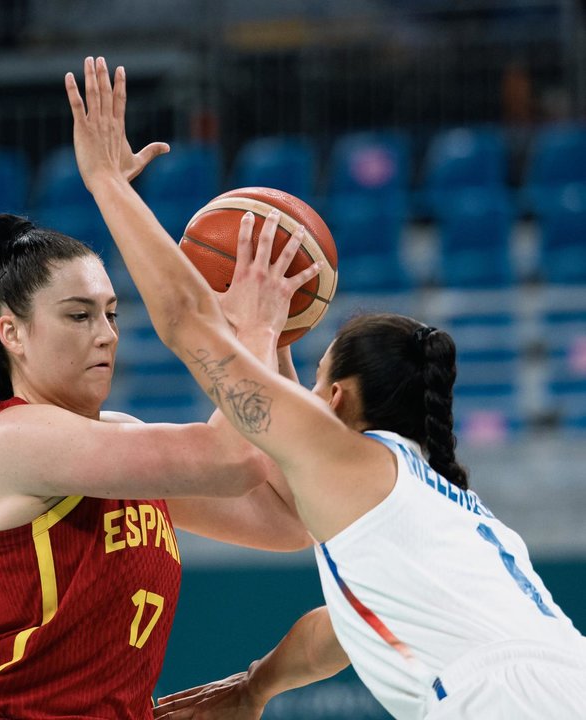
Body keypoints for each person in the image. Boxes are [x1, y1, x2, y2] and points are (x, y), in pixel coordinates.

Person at [68, 56, 586, 720]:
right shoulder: (424, 502)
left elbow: (183, 322)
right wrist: (255, 685)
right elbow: (337, 631)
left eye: (311, 380)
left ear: (335, 399)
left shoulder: (351, 459)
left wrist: (108, 183)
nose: (301, 393)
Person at [0, 200, 319, 713]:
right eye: (79, 315)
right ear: (11, 333)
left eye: (110, 313)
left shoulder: (119, 441)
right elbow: (233, 457)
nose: (106, 334)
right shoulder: (13, 441)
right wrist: (255, 328)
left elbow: (288, 517)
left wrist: (278, 343)